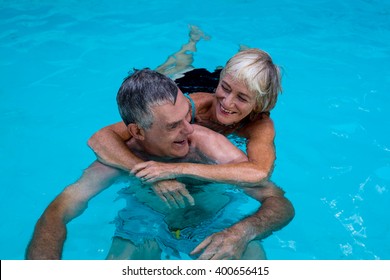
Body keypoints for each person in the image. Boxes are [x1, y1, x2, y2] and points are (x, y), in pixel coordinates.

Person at [26, 69, 294, 260]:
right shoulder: (115, 161)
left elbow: (278, 201)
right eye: (173, 126)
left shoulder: (206, 144)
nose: (189, 130)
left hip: (215, 223)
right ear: (137, 132)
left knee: (249, 260)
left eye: (187, 117)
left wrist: (241, 232)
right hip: (144, 224)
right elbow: (56, 213)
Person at [87, 26, 282, 208]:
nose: (228, 103)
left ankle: (242, 53)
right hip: (189, 86)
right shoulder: (190, 106)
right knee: (171, 70)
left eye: (242, 98)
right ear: (221, 81)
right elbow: (100, 138)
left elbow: (259, 173)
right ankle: (191, 42)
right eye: (225, 88)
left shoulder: (260, 125)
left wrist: (177, 169)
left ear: (258, 104)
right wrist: (145, 170)